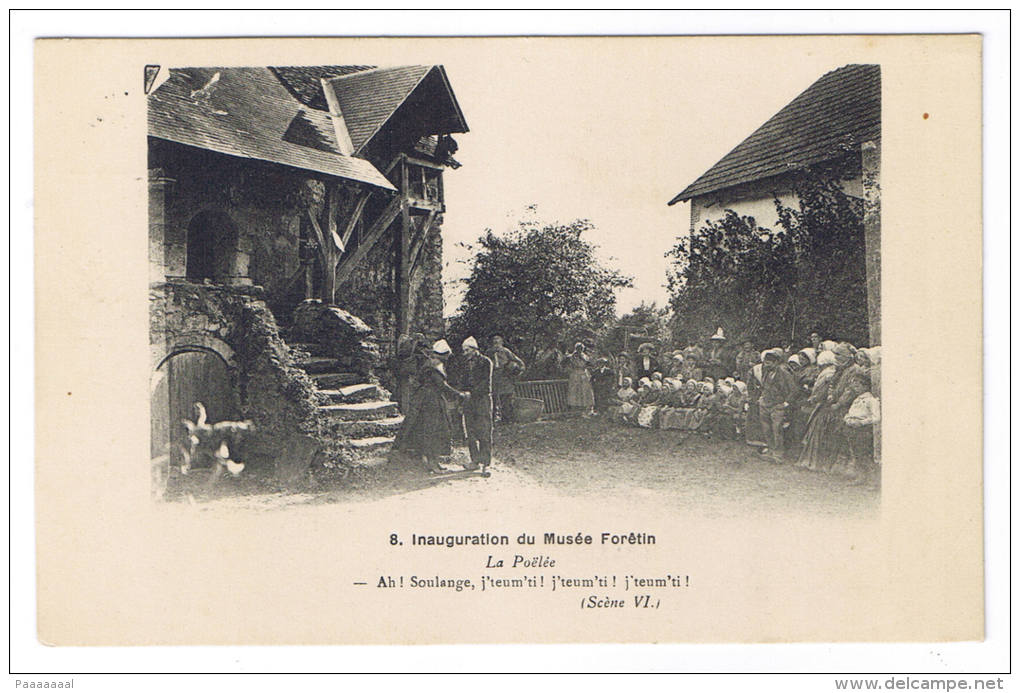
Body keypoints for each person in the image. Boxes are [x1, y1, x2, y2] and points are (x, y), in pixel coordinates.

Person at [396, 339, 469, 473]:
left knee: (436, 430)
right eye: (447, 355)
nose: (448, 358)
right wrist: (459, 395)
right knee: (433, 431)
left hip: (431, 399)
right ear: (443, 354)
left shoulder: (432, 363)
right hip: (430, 401)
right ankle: (432, 463)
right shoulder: (434, 366)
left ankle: (434, 461)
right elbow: (442, 386)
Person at [459, 336, 493, 472]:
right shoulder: (465, 364)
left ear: (474, 350)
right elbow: (463, 381)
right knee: (470, 431)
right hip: (469, 400)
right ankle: (474, 460)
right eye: (464, 351)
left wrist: (472, 393)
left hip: (482, 399)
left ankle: (485, 462)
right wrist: (463, 395)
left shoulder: (486, 362)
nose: (465, 353)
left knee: (484, 430)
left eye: (467, 350)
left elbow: (486, 382)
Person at [758, 348, 798, 462]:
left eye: (769, 363)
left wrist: (786, 403)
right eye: (765, 362)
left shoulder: (784, 374)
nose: (766, 365)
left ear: (776, 363)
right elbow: (764, 386)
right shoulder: (765, 372)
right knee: (766, 429)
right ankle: (770, 450)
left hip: (777, 405)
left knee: (777, 430)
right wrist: (761, 398)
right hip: (765, 404)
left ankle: (778, 454)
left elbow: (794, 390)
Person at [488, 335, 526, 424]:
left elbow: (519, 362)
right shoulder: (489, 353)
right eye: (494, 343)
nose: (496, 345)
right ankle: (493, 419)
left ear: (502, 343)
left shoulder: (506, 351)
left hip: (504, 378)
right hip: (493, 378)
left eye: (498, 343)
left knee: (506, 399)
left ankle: (508, 419)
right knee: (492, 398)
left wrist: (518, 370)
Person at [565, 342, 595, 415]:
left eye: (581, 348)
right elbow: (565, 364)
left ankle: (586, 409)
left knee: (585, 391)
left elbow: (590, 364)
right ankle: (574, 409)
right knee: (575, 391)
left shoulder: (585, 356)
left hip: (584, 374)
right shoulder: (572, 356)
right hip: (575, 374)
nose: (580, 350)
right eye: (578, 348)